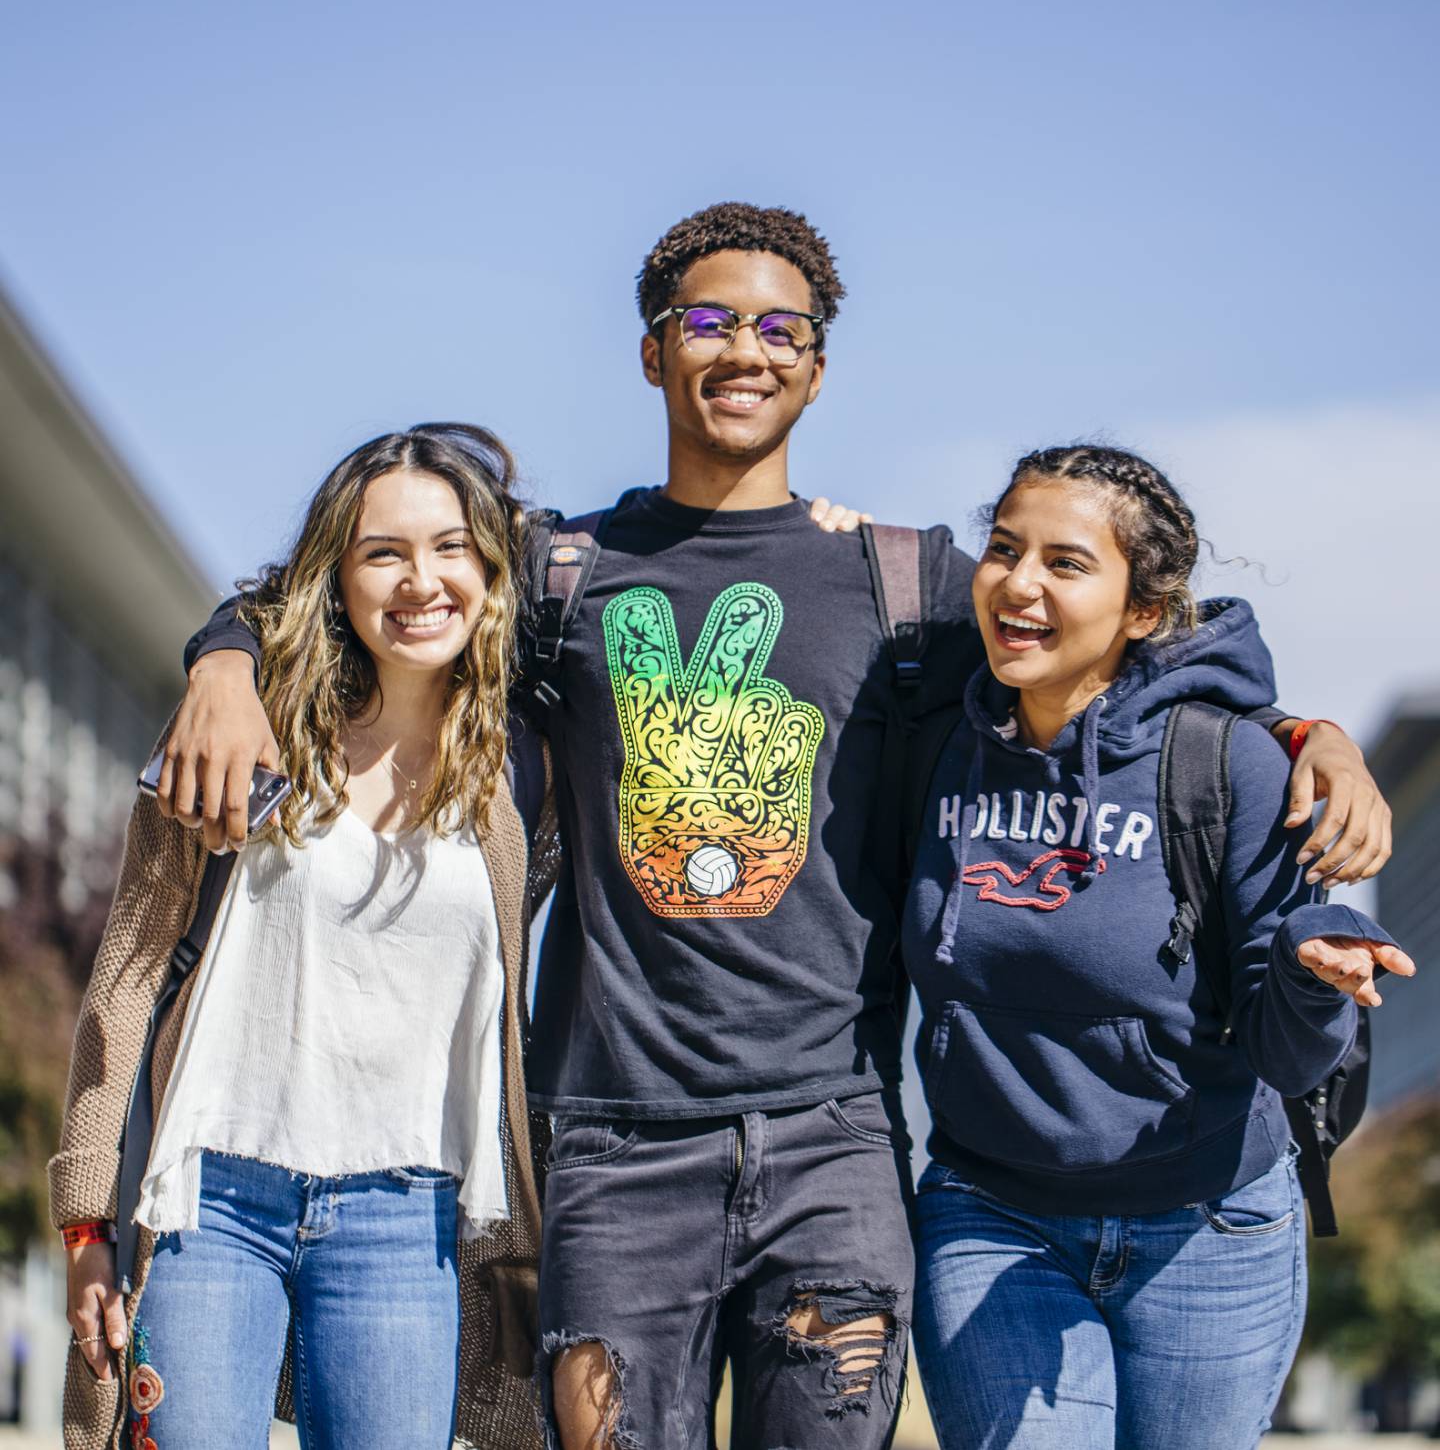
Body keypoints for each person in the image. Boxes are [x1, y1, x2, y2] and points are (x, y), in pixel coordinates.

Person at [163, 206, 1391, 1449]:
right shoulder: (558, 574)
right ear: (653, 353)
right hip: (613, 1151)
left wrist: (1301, 734)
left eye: (778, 326)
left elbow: (1118, 652)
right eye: (707, 320)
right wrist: (224, 658)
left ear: (816, 363)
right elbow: (356, 581)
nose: (742, 348)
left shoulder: (906, 584)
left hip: (834, 1149)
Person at [904, 443, 1415, 1450]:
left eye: (1065, 562)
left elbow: (1285, 1051)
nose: (1019, 582)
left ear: (1143, 610)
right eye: (1005, 549)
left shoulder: (1226, 764)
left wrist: (1315, 977)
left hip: (1209, 1226)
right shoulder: (935, 730)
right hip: (990, 1208)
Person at [51, 425, 550, 1450]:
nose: (422, 580)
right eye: (384, 552)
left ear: (491, 570)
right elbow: (122, 989)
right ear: (337, 572)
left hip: (405, 1223)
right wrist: (86, 1224)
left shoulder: (515, 775)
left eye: (452, 546)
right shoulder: (239, 741)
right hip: (210, 1207)